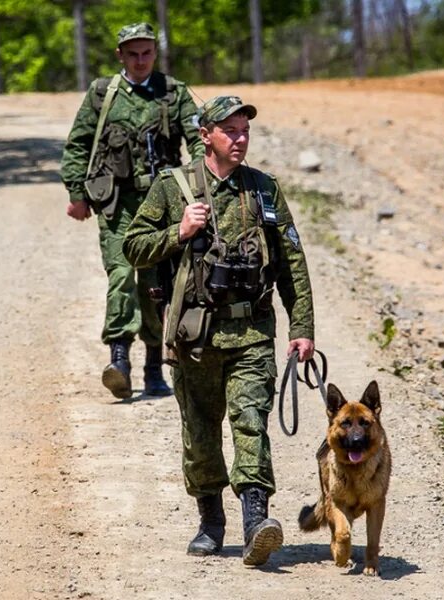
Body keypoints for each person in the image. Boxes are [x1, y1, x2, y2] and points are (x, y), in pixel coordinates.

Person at [123, 96, 315, 566]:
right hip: (195, 338)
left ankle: (256, 523)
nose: (241, 138)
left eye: (245, 130)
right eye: (230, 130)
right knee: (201, 436)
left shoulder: (264, 190)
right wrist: (179, 232)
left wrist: (302, 326)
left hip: (251, 332)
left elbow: (292, 262)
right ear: (206, 134)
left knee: (251, 423)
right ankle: (211, 521)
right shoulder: (174, 188)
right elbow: (132, 246)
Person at [61, 22, 204, 399]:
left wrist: (206, 186)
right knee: (121, 275)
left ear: (155, 53)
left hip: (163, 205)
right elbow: (78, 144)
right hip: (119, 205)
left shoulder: (173, 94)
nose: (141, 60)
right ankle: (119, 360)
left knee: (157, 286)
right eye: (133, 53)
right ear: (120, 55)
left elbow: (199, 140)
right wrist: (77, 193)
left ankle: (155, 367)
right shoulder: (102, 93)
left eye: (147, 53)